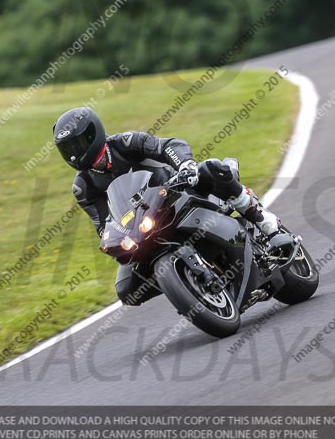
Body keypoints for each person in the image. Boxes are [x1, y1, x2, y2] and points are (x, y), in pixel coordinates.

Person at [53, 107, 281, 304]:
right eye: (67, 149)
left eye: (78, 143)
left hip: (177, 192)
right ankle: (185, 284)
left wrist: (186, 166)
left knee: (211, 168)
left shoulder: (125, 143)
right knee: (126, 289)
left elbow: (168, 145)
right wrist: (111, 240)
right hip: (144, 224)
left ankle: (260, 216)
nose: (74, 153)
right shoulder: (83, 187)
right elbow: (103, 225)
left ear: (94, 132)